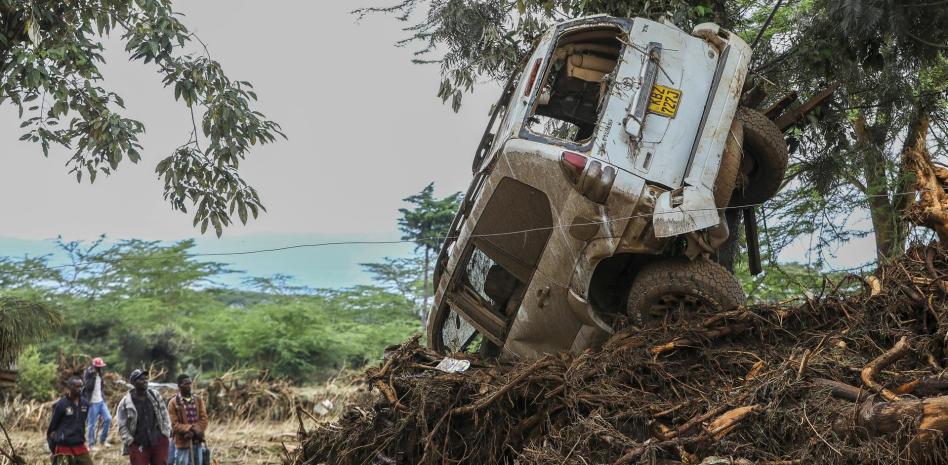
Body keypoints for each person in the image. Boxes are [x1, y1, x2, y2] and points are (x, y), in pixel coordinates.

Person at [115, 369, 172, 465]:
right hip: (138, 443)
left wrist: (165, 433)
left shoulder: (155, 395)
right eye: (141, 379)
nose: (145, 381)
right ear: (133, 382)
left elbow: (164, 414)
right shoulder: (125, 403)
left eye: (146, 379)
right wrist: (130, 441)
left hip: (158, 440)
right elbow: (122, 425)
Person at [47, 377, 94, 465]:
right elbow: (52, 429)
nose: (80, 389)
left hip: (79, 445)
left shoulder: (85, 404)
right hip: (64, 447)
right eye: (77, 387)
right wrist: (53, 450)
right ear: (70, 388)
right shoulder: (61, 404)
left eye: (81, 387)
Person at [167, 375, 208, 465]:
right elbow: (174, 424)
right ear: (180, 386)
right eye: (186, 384)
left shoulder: (198, 400)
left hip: (197, 439)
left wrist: (195, 430)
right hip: (182, 441)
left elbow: (204, 419)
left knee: (198, 462)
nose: (189, 386)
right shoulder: (174, 403)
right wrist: (188, 429)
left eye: (190, 383)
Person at [81, 357, 112, 449]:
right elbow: (88, 387)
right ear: (94, 366)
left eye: (101, 367)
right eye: (98, 367)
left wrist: (103, 397)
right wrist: (93, 376)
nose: (100, 369)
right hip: (92, 403)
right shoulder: (88, 374)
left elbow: (101, 387)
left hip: (101, 401)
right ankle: (91, 444)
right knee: (92, 424)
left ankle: (103, 440)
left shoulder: (100, 373)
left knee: (108, 419)